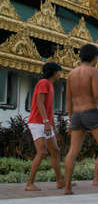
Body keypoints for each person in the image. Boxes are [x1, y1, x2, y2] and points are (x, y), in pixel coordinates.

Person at [64, 44, 98, 195]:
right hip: (91, 112)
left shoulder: (71, 74)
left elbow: (68, 99)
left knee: (73, 151)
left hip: (76, 115)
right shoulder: (93, 71)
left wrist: (70, 119)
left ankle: (67, 187)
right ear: (95, 57)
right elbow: (97, 95)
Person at [26, 62, 65, 191]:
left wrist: (53, 127)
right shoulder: (43, 83)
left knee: (55, 150)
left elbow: (49, 109)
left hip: (45, 123)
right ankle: (29, 184)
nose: (61, 74)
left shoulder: (51, 86)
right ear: (54, 72)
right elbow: (39, 103)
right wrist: (46, 122)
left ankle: (60, 181)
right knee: (42, 152)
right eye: (60, 71)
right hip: (37, 122)